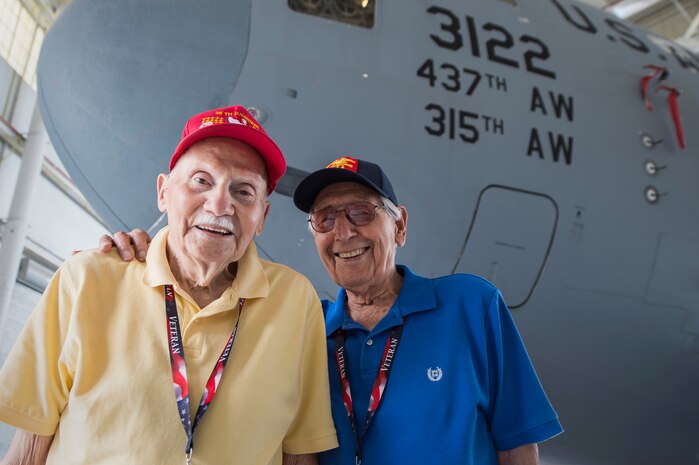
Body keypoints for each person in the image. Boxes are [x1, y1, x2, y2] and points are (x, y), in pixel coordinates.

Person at [103, 156, 564, 465]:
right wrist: (153, 252)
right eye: (325, 219)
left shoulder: (471, 305)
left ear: (399, 225)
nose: (342, 232)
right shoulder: (302, 327)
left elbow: (518, 445)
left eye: (361, 213)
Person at [0, 105, 337, 465]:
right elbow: (29, 448)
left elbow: (300, 455)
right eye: (201, 181)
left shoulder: (295, 302)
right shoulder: (86, 279)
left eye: (243, 192)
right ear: (164, 192)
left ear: (262, 217)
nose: (220, 204)